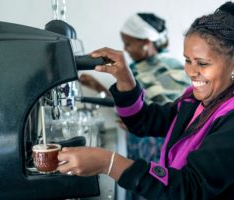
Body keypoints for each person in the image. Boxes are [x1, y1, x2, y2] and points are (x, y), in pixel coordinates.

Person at [58, 2, 234, 199]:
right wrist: (124, 78)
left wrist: (109, 163)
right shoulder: (195, 102)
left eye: (202, 63)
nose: (191, 72)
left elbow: (189, 189)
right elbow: (144, 121)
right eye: (188, 61)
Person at [80, 13, 189, 164]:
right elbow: (130, 105)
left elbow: (162, 115)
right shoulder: (145, 67)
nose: (125, 49)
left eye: (128, 43)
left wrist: (135, 120)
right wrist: (97, 86)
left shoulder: (165, 69)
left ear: (145, 42)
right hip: (148, 151)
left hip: (159, 157)